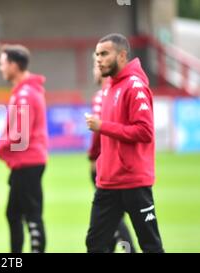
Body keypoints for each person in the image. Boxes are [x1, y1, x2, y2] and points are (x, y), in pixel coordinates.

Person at [85, 33, 164, 253]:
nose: (99, 59)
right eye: (97, 54)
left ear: (121, 56)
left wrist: (103, 127)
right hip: (108, 182)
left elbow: (144, 131)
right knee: (95, 243)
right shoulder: (110, 87)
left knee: (150, 245)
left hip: (134, 182)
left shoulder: (134, 86)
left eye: (104, 54)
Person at [0, 44, 48, 253]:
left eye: (2, 64)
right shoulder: (24, 91)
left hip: (28, 162)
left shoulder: (25, 93)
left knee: (31, 214)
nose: (0, 69)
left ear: (14, 65)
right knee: (14, 214)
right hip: (26, 162)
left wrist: (0, 148)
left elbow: (20, 133)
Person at [87, 54, 136, 253]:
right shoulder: (119, 91)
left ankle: (128, 249)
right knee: (113, 217)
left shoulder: (103, 95)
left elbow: (99, 131)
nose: (94, 69)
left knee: (110, 217)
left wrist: (92, 156)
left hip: (108, 166)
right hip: (125, 164)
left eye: (95, 65)